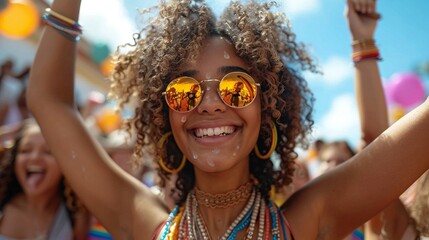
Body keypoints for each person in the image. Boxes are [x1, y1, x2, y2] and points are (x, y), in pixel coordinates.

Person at [27, 0, 429, 239]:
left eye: (235, 88)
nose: (210, 104)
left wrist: (363, 44)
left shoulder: (312, 217)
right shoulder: (138, 218)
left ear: (267, 108)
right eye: (185, 91)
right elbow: (49, 102)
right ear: (167, 116)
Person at [0, 119, 89, 239]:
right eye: (26, 150)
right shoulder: (3, 208)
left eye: (48, 151)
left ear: (66, 165)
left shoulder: (77, 214)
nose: (35, 157)